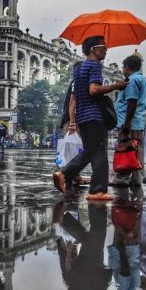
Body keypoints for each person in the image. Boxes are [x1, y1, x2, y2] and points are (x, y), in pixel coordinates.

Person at [53, 36, 127, 201]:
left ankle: (64, 174)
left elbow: (75, 97)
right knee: (99, 152)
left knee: (89, 151)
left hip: (83, 117)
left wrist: (73, 120)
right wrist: (117, 86)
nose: (106, 49)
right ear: (94, 49)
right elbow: (94, 90)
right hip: (94, 116)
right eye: (103, 47)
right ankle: (97, 191)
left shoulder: (78, 68)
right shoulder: (94, 66)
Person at [111, 55, 146, 188]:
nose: (123, 70)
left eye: (123, 67)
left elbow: (131, 102)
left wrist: (127, 123)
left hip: (129, 123)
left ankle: (122, 178)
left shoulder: (131, 81)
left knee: (125, 149)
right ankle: (137, 179)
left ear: (127, 67)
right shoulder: (143, 80)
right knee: (137, 150)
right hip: (138, 122)